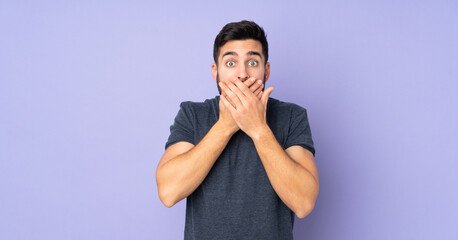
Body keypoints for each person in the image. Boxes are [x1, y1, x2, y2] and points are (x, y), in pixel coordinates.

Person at [156, 20, 319, 240]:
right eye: (231, 63)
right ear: (215, 72)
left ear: (266, 70)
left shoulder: (292, 116)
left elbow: (304, 203)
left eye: (252, 62)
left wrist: (258, 129)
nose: (242, 74)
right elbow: (168, 192)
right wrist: (225, 126)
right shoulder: (192, 114)